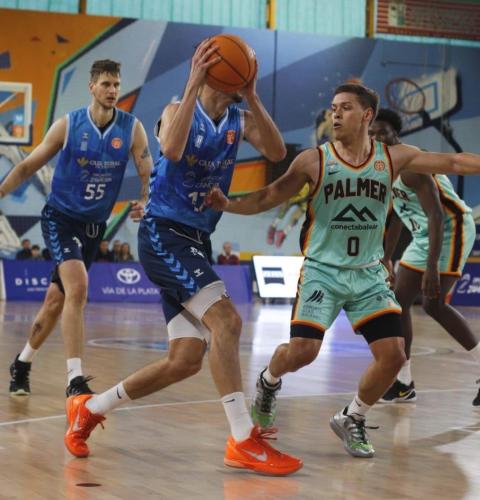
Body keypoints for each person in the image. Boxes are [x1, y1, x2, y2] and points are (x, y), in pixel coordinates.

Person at [63, 39, 302, 476]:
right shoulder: (177, 110)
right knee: (227, 321)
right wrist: (193, 82)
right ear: (212, 72)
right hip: (163, 234)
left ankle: (89, 410)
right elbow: (172, 151)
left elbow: (277, 152)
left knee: (185, 360)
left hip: (196, 239)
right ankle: (242, 439)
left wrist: (252, 94)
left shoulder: (239, 118)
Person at [205, 83, 480, 459]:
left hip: (367, 273)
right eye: (333, 107)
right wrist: (227, 205)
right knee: (303, 352)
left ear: (367, 115)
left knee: (393, 355)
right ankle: (269, 381)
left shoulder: (394, 157)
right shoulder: (313, 160)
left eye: (345, 107)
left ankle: (353, 416)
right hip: (323, 271)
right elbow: (268, 196)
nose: (335, 114)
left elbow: (454, 162)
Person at [3, 59, 152, 397]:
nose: (112, 90)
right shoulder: (68, 125)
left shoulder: (131, 128)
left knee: (56, 302)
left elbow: (147, 172)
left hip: (94, 226)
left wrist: (146, 200)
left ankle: (22, 364)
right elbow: (26, 167)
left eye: (116, 84)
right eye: (106, 84)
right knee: (79, 288)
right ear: (92, 87)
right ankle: (75, 379)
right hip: (61, 219)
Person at [370, 108, 480, 406]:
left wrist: (431, 267)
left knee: (433, 304)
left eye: (382, 132)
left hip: (451, 227)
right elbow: (395, 215)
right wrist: (386, 257)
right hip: (422, 235)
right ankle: (403, 383)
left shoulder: (411, 164)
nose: (376, 138)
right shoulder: (381, 167)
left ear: (395, 133)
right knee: (397, 303)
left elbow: (436, 215)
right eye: (371, 133)